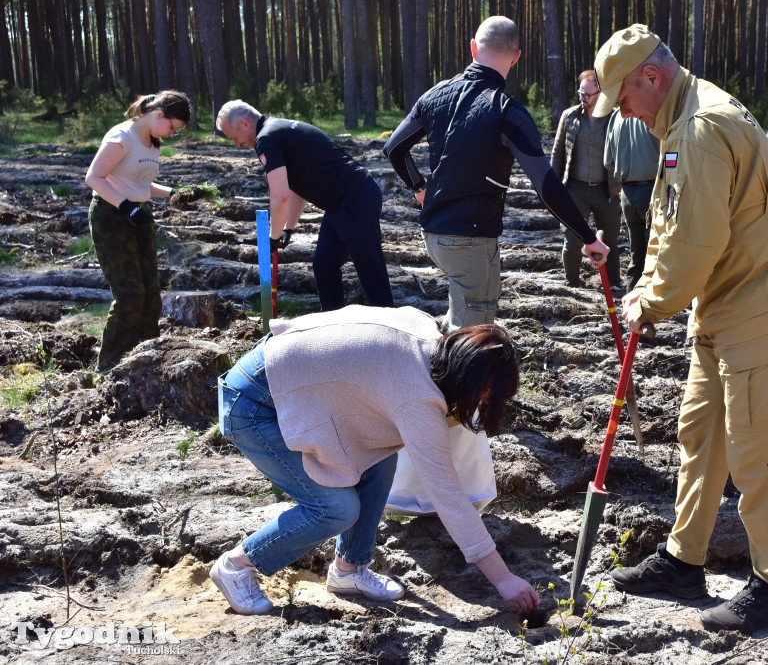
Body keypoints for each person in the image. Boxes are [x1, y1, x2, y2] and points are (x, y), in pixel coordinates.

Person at [590, 25, 768, 634]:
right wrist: (645, 282)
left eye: (623, 100)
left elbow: (697, 243)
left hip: (761, 307)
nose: (625, 114)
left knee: (761, 453)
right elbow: (671, 222)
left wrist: (653, 302)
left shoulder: (699, 128)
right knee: (703, 437)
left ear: (650, 76)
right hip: (725, 304)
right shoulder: (678, 122)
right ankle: (682, 560)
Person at [212, 305, 540, 615]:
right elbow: (449, 498)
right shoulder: (418, 396)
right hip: (255, 402)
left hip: (291, 380)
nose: (486, 403)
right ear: (469, 378)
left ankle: (349, 569)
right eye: (486, 395)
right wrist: (503, 579)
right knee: (335, 509)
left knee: (380, 460)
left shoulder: (428, 332)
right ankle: (237, 565)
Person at [383, 16, 609, 331]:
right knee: (471, 341)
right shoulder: (507, 111)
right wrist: (587, 237)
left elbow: (394, 148)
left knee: (456, 320)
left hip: (432, 234)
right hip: (471, 241)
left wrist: (418, 187)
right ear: (516, 57)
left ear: (474, 48)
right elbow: (545, 185)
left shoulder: (435, 94)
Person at [216, 100, 394, 311]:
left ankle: (393, 331)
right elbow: (295, 189)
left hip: (355, 199)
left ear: (245, 124)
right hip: (340, 205)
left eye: (233, 137)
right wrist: (287, 230)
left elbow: (279, 196)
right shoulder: (277, 129)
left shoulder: (266, 139)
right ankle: (332, 326)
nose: (237, 144)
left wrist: (273, 238)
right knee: (325, 266)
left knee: (369, 267)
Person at [85, 90, 193, 372]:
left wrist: (172, 193)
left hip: (138, 215)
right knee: (130, 294)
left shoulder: (152, 143)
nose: (172, 134)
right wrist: (124, 206)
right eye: (172, 127)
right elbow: (94, 177)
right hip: (111, 217)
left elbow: (140, 184)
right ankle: (109, 366)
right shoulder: (122, 137)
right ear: (159, 114)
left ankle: (146, 357)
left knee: (151, 292)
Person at [550, 69, 622, 287]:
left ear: (600, 94)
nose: (582, 97)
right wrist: (552, 189)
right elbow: (558, 152)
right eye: (580, 93)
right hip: (575, 189)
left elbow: (624, 151)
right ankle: (572, 281)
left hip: (606, 190)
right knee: (572, 239)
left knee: (609, 240)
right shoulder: (568, 116)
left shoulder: (614, 118)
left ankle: (614, 283)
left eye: (587, 94)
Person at [604, 108, 660, 290]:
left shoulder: (615, 116)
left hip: (627, 194)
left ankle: (631, 301)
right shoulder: (654, 113)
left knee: (636, 256)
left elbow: (608, 161)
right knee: (655, 255)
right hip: (652, 191)